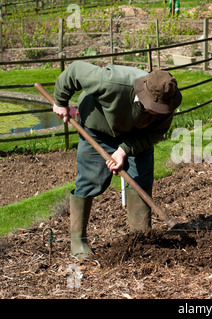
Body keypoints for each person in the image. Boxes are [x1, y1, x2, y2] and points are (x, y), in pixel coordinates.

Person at [52, 61, 182, 259]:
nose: (158, 111)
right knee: (90, 180)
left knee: (141, 178)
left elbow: (154, 134)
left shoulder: (168, 101)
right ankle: (78, 240)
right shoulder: (112, 82)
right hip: (97, 128)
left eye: (160, 108)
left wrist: (123, 151)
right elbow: (75, 70)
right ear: (144, 95)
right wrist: (61, 101)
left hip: (137, 136)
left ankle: (141, 239)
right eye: (153, 107)